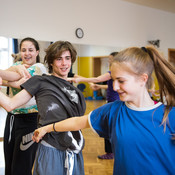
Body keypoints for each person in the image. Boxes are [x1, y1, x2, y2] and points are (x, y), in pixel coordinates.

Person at [32, 46, 175, 175]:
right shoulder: (113, 111)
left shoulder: (170, 116)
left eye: (121, 81)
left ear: (143, 79)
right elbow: (77, 122)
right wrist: (47, 128)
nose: (115, 87)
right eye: (113, 80)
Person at [0, 41, 86, 175]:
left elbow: (77, 123)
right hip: (50, 148)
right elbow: (10, 104)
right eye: (59, 59)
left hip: (73, 149)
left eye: (67, 58)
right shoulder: (40, 81)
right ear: (51, 62)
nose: (64, 63)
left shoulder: (76, 93)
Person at [2, 37, 47, 175]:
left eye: (31, 50)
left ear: (37, 52)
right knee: (9, 162)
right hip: (12, 119)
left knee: (21, 167)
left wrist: (9, 81)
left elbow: (15, 82)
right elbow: (8, 77)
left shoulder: (39, 68)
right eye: (23, 50)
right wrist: (16, 68)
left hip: (30, 120)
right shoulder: (18, 66)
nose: (27, 53)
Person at [68, 52, 120, 159]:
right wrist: (98, 87)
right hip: (112, 103)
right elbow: (109, 86)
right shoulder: (116, 74)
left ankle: (111, 152)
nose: (109, 61)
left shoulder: (112, 73)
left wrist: (81, 80)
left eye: (111, 59)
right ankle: (114, 151)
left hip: (113, 104)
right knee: (111, 127)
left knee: (109, 127)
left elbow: (97, 79)